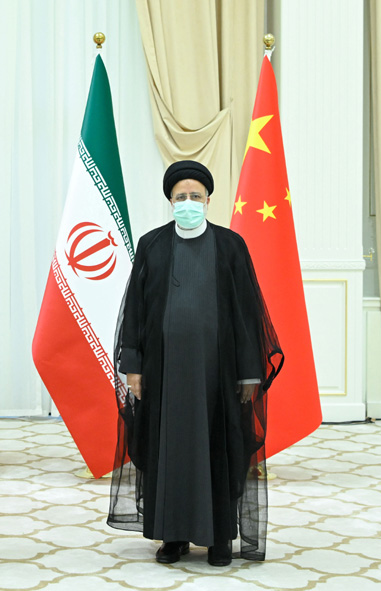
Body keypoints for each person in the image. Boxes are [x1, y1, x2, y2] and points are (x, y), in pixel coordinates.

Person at [107, 160, 283, 566]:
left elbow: (247, 312)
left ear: (208, 200)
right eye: (181, 197)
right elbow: (135, 310)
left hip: (218, 376)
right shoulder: (152, 244)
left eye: (195, 196)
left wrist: (249, 372)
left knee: (219, 451)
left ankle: (219, 537)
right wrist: (133, 366)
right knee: (167, 453)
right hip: (163, 375)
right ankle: (173, 536)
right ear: (171, 201)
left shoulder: (231, 245)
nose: (188, 203)